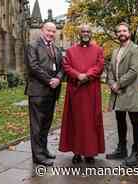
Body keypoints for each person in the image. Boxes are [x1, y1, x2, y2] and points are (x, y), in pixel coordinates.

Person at [59, 25, 105, 164]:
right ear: (79, 34)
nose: (85, 33)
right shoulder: (71, 51)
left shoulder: (98, 50)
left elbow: (100, 65)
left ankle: (90, 153)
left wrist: (87, 75)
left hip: (91, 91)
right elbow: (66, 66)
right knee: (76, 122)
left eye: (88, 31)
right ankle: (77, 152)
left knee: (91, 122)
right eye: (83, 31)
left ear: (91, 34)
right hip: (76, 91)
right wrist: (77, 75)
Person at [25, 22, 64, 166]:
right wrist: (50, 80)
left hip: (52, 92)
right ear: (42, 30)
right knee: (37, 125)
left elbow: (62, 67)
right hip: (38, 92)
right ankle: (38, 156)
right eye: (48, 30)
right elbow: (33, 67)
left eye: (54, 31)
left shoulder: (56, 48)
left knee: (46, 124)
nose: (51, 34)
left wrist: (58, 78)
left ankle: (44, 150)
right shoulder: (33, 46)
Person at [105, 22, 138, 166]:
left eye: (124, 31)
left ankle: (136, 153)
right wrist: (111, 83)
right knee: (120, 120)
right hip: (117, 92)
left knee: (135, 122)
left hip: (130, 91)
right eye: (119, 31)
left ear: (129, 32)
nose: (122, 33)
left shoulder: (136, 49)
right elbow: (110, 70)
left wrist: (118, 84)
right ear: (116, 34)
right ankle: (122, 149)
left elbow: (134, 71)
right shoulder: (116, 51)